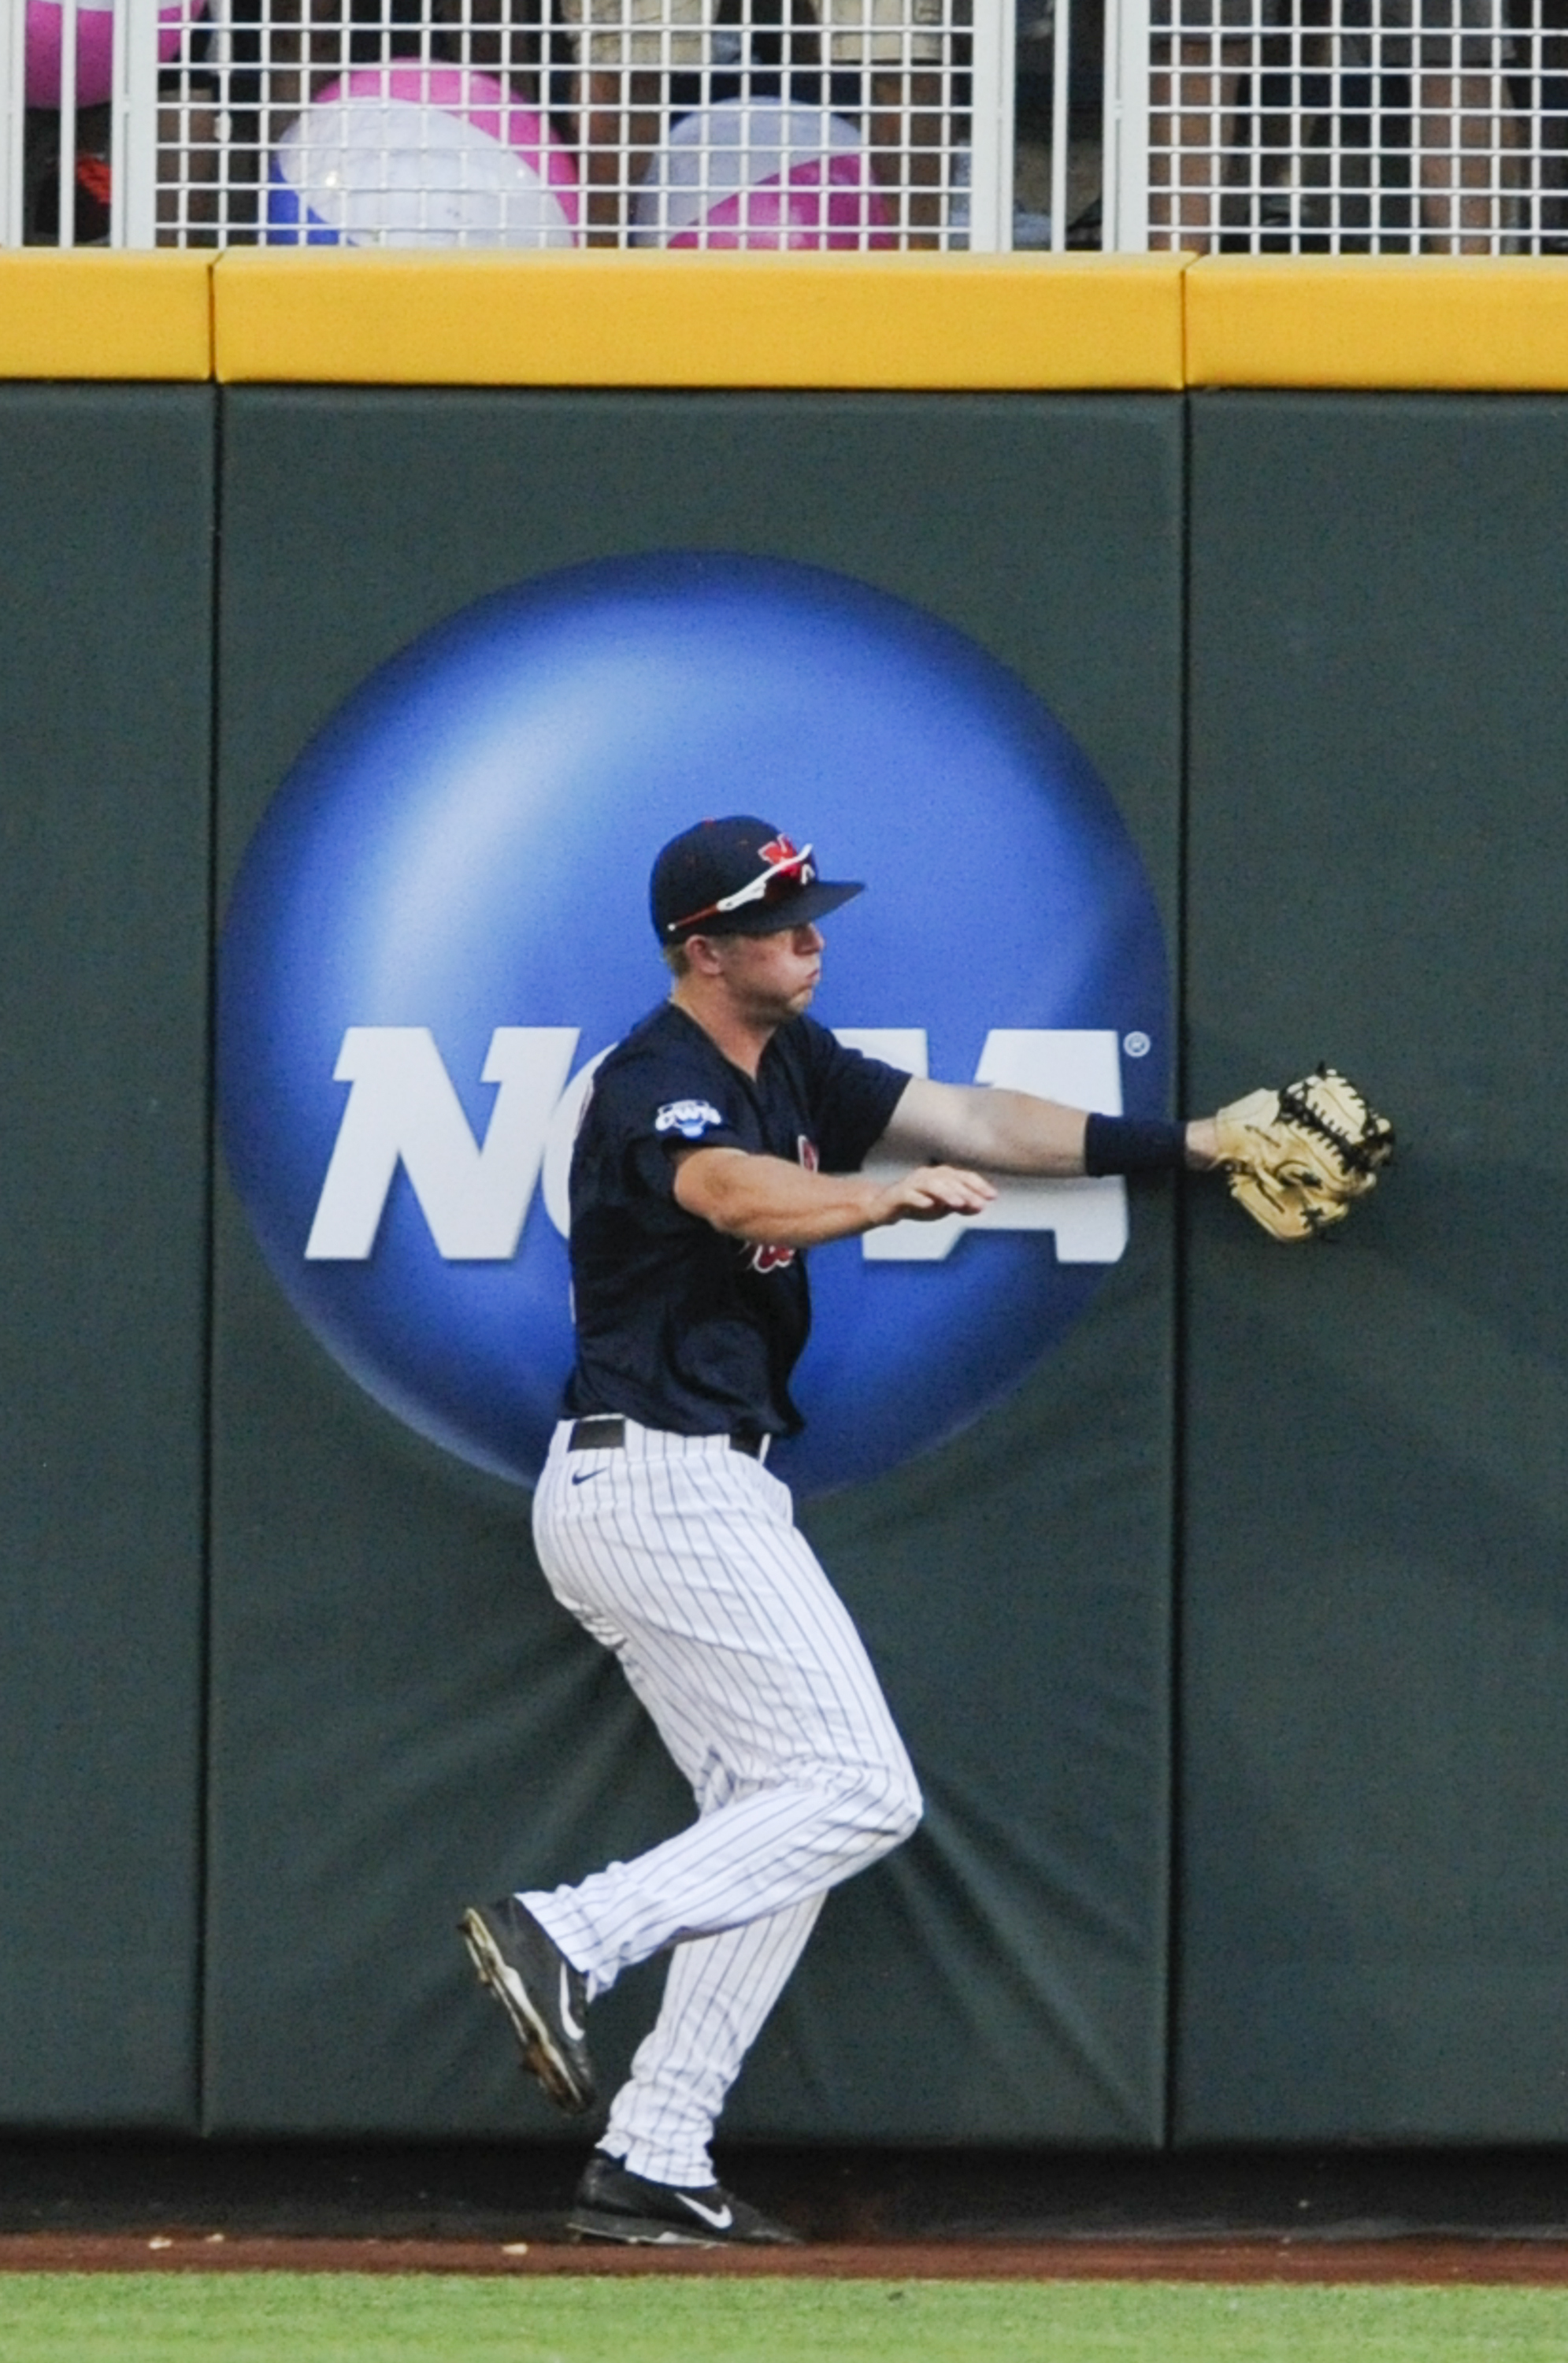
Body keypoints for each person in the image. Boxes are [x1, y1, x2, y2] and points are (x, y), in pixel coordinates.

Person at [461, 814, 1221, 2247]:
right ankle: (570, 1932)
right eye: (779, 920)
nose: (811, 935)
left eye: (810, 912)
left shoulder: (793, 1060)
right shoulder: (654, 1083)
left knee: (781, 1828)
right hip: (656, 1480)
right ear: (702, 949)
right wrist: (870, 1200)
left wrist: (1189, 1144)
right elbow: (728, 1192)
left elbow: (984, 1123)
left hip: (697, 1485)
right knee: (864, 1794)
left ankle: (653, 2154)